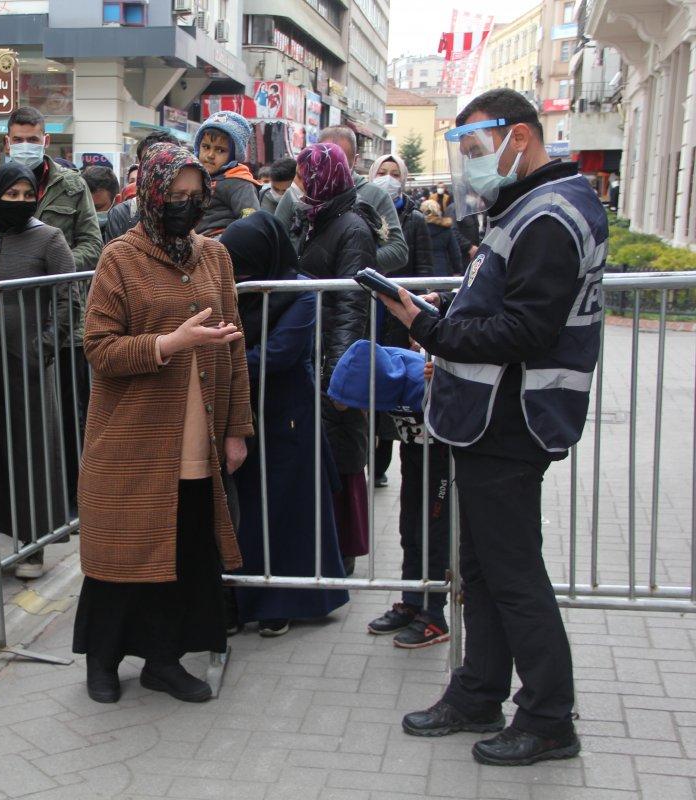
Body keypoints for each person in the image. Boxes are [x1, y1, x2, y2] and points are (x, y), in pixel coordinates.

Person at [384, 88, 604, 766]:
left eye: (479, 148)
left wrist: (428, 328)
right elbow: (500, 300)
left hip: (514, 421)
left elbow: (529, 328)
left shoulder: (550, 214)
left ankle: (547, 716)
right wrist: (445, 314)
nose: (474, 164)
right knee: (480, 566)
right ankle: (479, 690)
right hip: (490, 420)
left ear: (522, 136)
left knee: (511, 572)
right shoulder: (528, 209)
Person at [73, 142, 252, 704]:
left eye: (196, 196)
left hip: (199, 430)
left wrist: (236, 428)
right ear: (151, 193)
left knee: (182, 550)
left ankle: (163, 660)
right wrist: (171, 344)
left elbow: (236, 349)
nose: (186, 205)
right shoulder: (120, 258)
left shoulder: (215, 257)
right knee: (123, 551)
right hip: (133, 435)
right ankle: (102, 661)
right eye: (176, 195)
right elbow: (99, 348)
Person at [221, 213, 348, 637]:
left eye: (243, 263)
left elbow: (280, 354)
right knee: (249, 512)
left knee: (288, 510)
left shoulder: (300, 293)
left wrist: (220, 361)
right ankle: (242, 598)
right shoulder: (233, 290)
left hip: (289, 413)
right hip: (244, 413)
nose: (237, 273)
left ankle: (285, 601)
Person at [0, 162, 73, 580]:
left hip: (29, 367)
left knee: (30, 452)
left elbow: (69, 299)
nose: (19, 202)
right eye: (9, 195)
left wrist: (42, 348)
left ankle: (33, 544)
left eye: (26, 194)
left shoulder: (50, 238)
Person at [329, 340, 452, 650]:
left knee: (433, 534)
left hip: (445, 461)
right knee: (409, 528)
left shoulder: (418, 379)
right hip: (414, 453)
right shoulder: (375, 373)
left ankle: (435, 615)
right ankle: (412, 601)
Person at [290, 142, 374, 575]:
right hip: (313, 353)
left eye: (306, 177)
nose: (300, 186)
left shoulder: (352, 228)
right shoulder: (315, 220)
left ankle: (342, 554)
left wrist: (339, 375)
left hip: (334, 360)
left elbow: (350, 306)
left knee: (340, 455)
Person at [368, 153, 434, 486]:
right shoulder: (363, 210)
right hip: (369, 313)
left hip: (399, 316)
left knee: (392, 389)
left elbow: (423, 271)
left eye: (395, 173)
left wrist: (418, 322)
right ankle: (363, 460)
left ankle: (380, 466)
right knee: (365, 384)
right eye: (383, 172)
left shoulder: (415, 219)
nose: (389, 178)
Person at [0, 106, 102, 272]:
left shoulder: (73, 185)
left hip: (58, 290)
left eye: (33, 140)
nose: (25, 146)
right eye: (18, 140)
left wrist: (56, 264)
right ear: (7, 143)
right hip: (7, 288)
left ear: (46, 141)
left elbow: (92, 243)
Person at [274, 125, 409, 275]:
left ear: (354, 161)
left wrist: (352, 261)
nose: (330, 167)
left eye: (339, 160)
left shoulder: (375, 196)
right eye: (324, 159)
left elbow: (398, 251)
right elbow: (275, 241)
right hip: (300, 288)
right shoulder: (298, 192)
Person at [192, 110, 261, 236]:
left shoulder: (239, 182)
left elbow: (251, 221)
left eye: (220, 150)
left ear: (234, 155)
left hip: (220, 243)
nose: (210, 155)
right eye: (206, 147)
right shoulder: (195, 176)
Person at [104, 130, 180, 242]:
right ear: (140, 166)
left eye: (166, 161)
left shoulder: (190, 207)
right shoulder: (121, 214)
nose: (158, 169)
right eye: (150, 161)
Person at [422, 199, 463, 277]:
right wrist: (457, 271)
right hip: (442, 271)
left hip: (422, 273)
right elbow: (455, 253)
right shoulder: (446, 229)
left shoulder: (418, 229)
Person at [81, 164, 120, 242]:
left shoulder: (125, 230)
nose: (91, 213)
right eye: (86, 207)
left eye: (98, 207)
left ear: (117, 200)